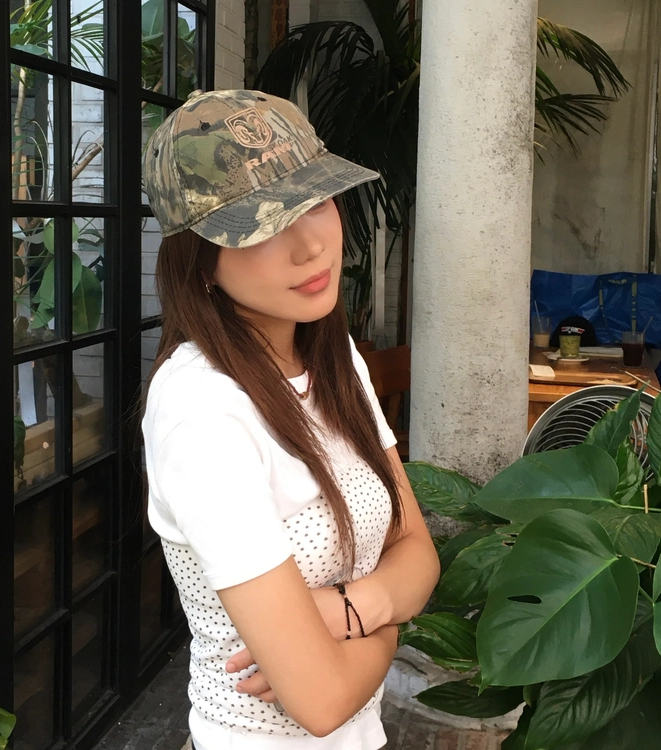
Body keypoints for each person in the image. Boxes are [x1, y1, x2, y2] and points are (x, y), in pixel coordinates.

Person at [141, 89, 440, 750]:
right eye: (263, 225)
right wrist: (390, 620)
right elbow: (321, 699)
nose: (310, 245)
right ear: (200, 261)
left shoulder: (332, 357)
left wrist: (347, 611)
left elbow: (419, 551)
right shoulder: (202, 413)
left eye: (316, 201)